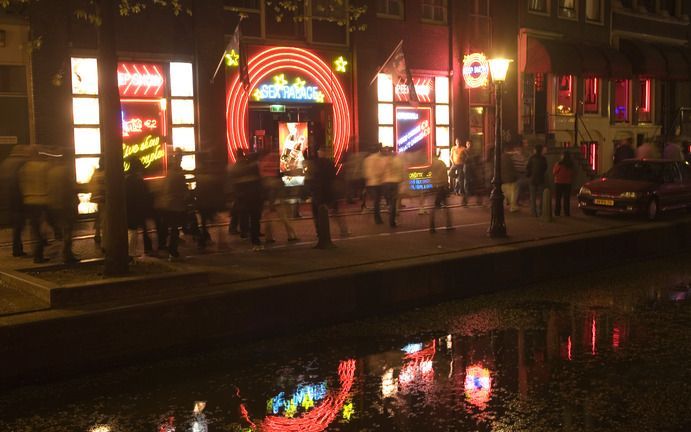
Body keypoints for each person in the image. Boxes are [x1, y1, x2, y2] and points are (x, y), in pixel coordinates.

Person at [19, 147, 52, 263]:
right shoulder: (44, 167)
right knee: (42, 228)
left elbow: (22, 185)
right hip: (42, 200)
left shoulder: (25, 168)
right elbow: (48, 183)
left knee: (34, 228)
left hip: (29, 201)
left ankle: (36, 252)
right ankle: (39, 254)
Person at [0, 145, 30, 257]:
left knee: (16, 225)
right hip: (19, 198)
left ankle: (17, 248)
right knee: (21, 225)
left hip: (8, 199)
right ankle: (18, 249)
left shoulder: (5, 162)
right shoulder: (22, 163)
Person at [158, 150, 189, 260]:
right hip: (175, 205)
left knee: (165, 225)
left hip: (165, 204)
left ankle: (162, 245)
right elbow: (184, 191)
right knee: (175, 228)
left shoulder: (168, 174)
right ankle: (173, 250)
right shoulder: (179, 176)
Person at [124, 157, 153, 257]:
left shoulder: (127, 179)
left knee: (132, 231)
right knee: (134, 231)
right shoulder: (138, 181)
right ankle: (132, 253)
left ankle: (132, 253)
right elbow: (144, 195)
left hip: (131, 209)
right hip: (137, 209)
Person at [380, 147, 406, 227]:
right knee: (394, 202)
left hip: (386, 182)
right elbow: (401, 171)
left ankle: (388, 207)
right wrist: (401, 179)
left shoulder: (383, 160)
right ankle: (392, 221)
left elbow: (381, 171)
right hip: (395, 182)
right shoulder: (398, 160)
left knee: (389, 200)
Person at [429, 150, 452, 232]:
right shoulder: (442, 163)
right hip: (441, 186)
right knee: (446, 206)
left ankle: (432, 225)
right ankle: (448, 224)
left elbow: (425, 173)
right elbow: (445, 175)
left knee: (433, 206)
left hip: (433, 186)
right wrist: (447, 185)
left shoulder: (431, 164)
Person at [363, 145, 385, 224]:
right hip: (378, 182)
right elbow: (381, 170)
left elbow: (365, 172)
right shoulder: (379, 159)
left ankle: (377, 218)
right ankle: (377, 218)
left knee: (375, 201)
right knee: (377, 201)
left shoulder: (366, 160)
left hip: (370, 183)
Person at [526, 144, 548, 217]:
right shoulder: (543, 158)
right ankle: (541, 211)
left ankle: (534, 212)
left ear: (535, 150)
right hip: (541, 179)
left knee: (533, 197)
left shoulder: (531, 158)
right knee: (541, 196)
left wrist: (528, 175)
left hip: (532, 179)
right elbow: (545, 168)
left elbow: (528, 168)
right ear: (541, 150)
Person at [552, 151, 575, 217]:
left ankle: (557, 212)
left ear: (563, 156)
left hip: (558, 182)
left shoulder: (559, 164)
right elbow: (572, 173)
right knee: (566, 199)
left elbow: (554, 172)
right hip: (567, 183)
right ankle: (567, 212)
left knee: (558, 198)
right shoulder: (571, 164)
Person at [501, 146, 519, 212]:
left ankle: (504, 205)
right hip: (510, 179)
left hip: (503, 179)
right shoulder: (509, 158)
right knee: (512, 193)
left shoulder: (499, 158)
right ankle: (512, 207)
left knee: (505, 193)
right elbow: (513, 168)